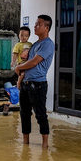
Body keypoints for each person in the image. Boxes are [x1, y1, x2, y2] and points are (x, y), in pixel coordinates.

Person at [15, 15, 54, 148]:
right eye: (35, 24)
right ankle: (26, 142)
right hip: (26, 83)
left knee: (40, 114)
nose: (35, 26)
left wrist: (18, 67)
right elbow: (26, 62)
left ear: (46, 27)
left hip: (38, 85)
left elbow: (34, 62)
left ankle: (45, 144)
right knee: (24, 113)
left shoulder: (48, 44)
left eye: (38, 24)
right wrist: (20, 80)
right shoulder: (35, 44)